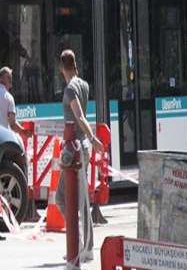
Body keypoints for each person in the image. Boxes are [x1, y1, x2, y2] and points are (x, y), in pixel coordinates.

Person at [55, 49, 104, 263]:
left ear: (60, 67)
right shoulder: (83, 85)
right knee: (80, 199)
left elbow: (79, 116)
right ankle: (82, 245)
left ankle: (80, 244)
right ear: (74, 64)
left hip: (75, 148)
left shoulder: (69, 90)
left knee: (63, 199)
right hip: (82, 147)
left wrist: (93, 138)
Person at [0, 67, 30, 136]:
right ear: (9, 82)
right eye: (11, 81)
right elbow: (12, 124)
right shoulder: (8, 97)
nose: (11, 86)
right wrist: (23, 131)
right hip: (2, 139)